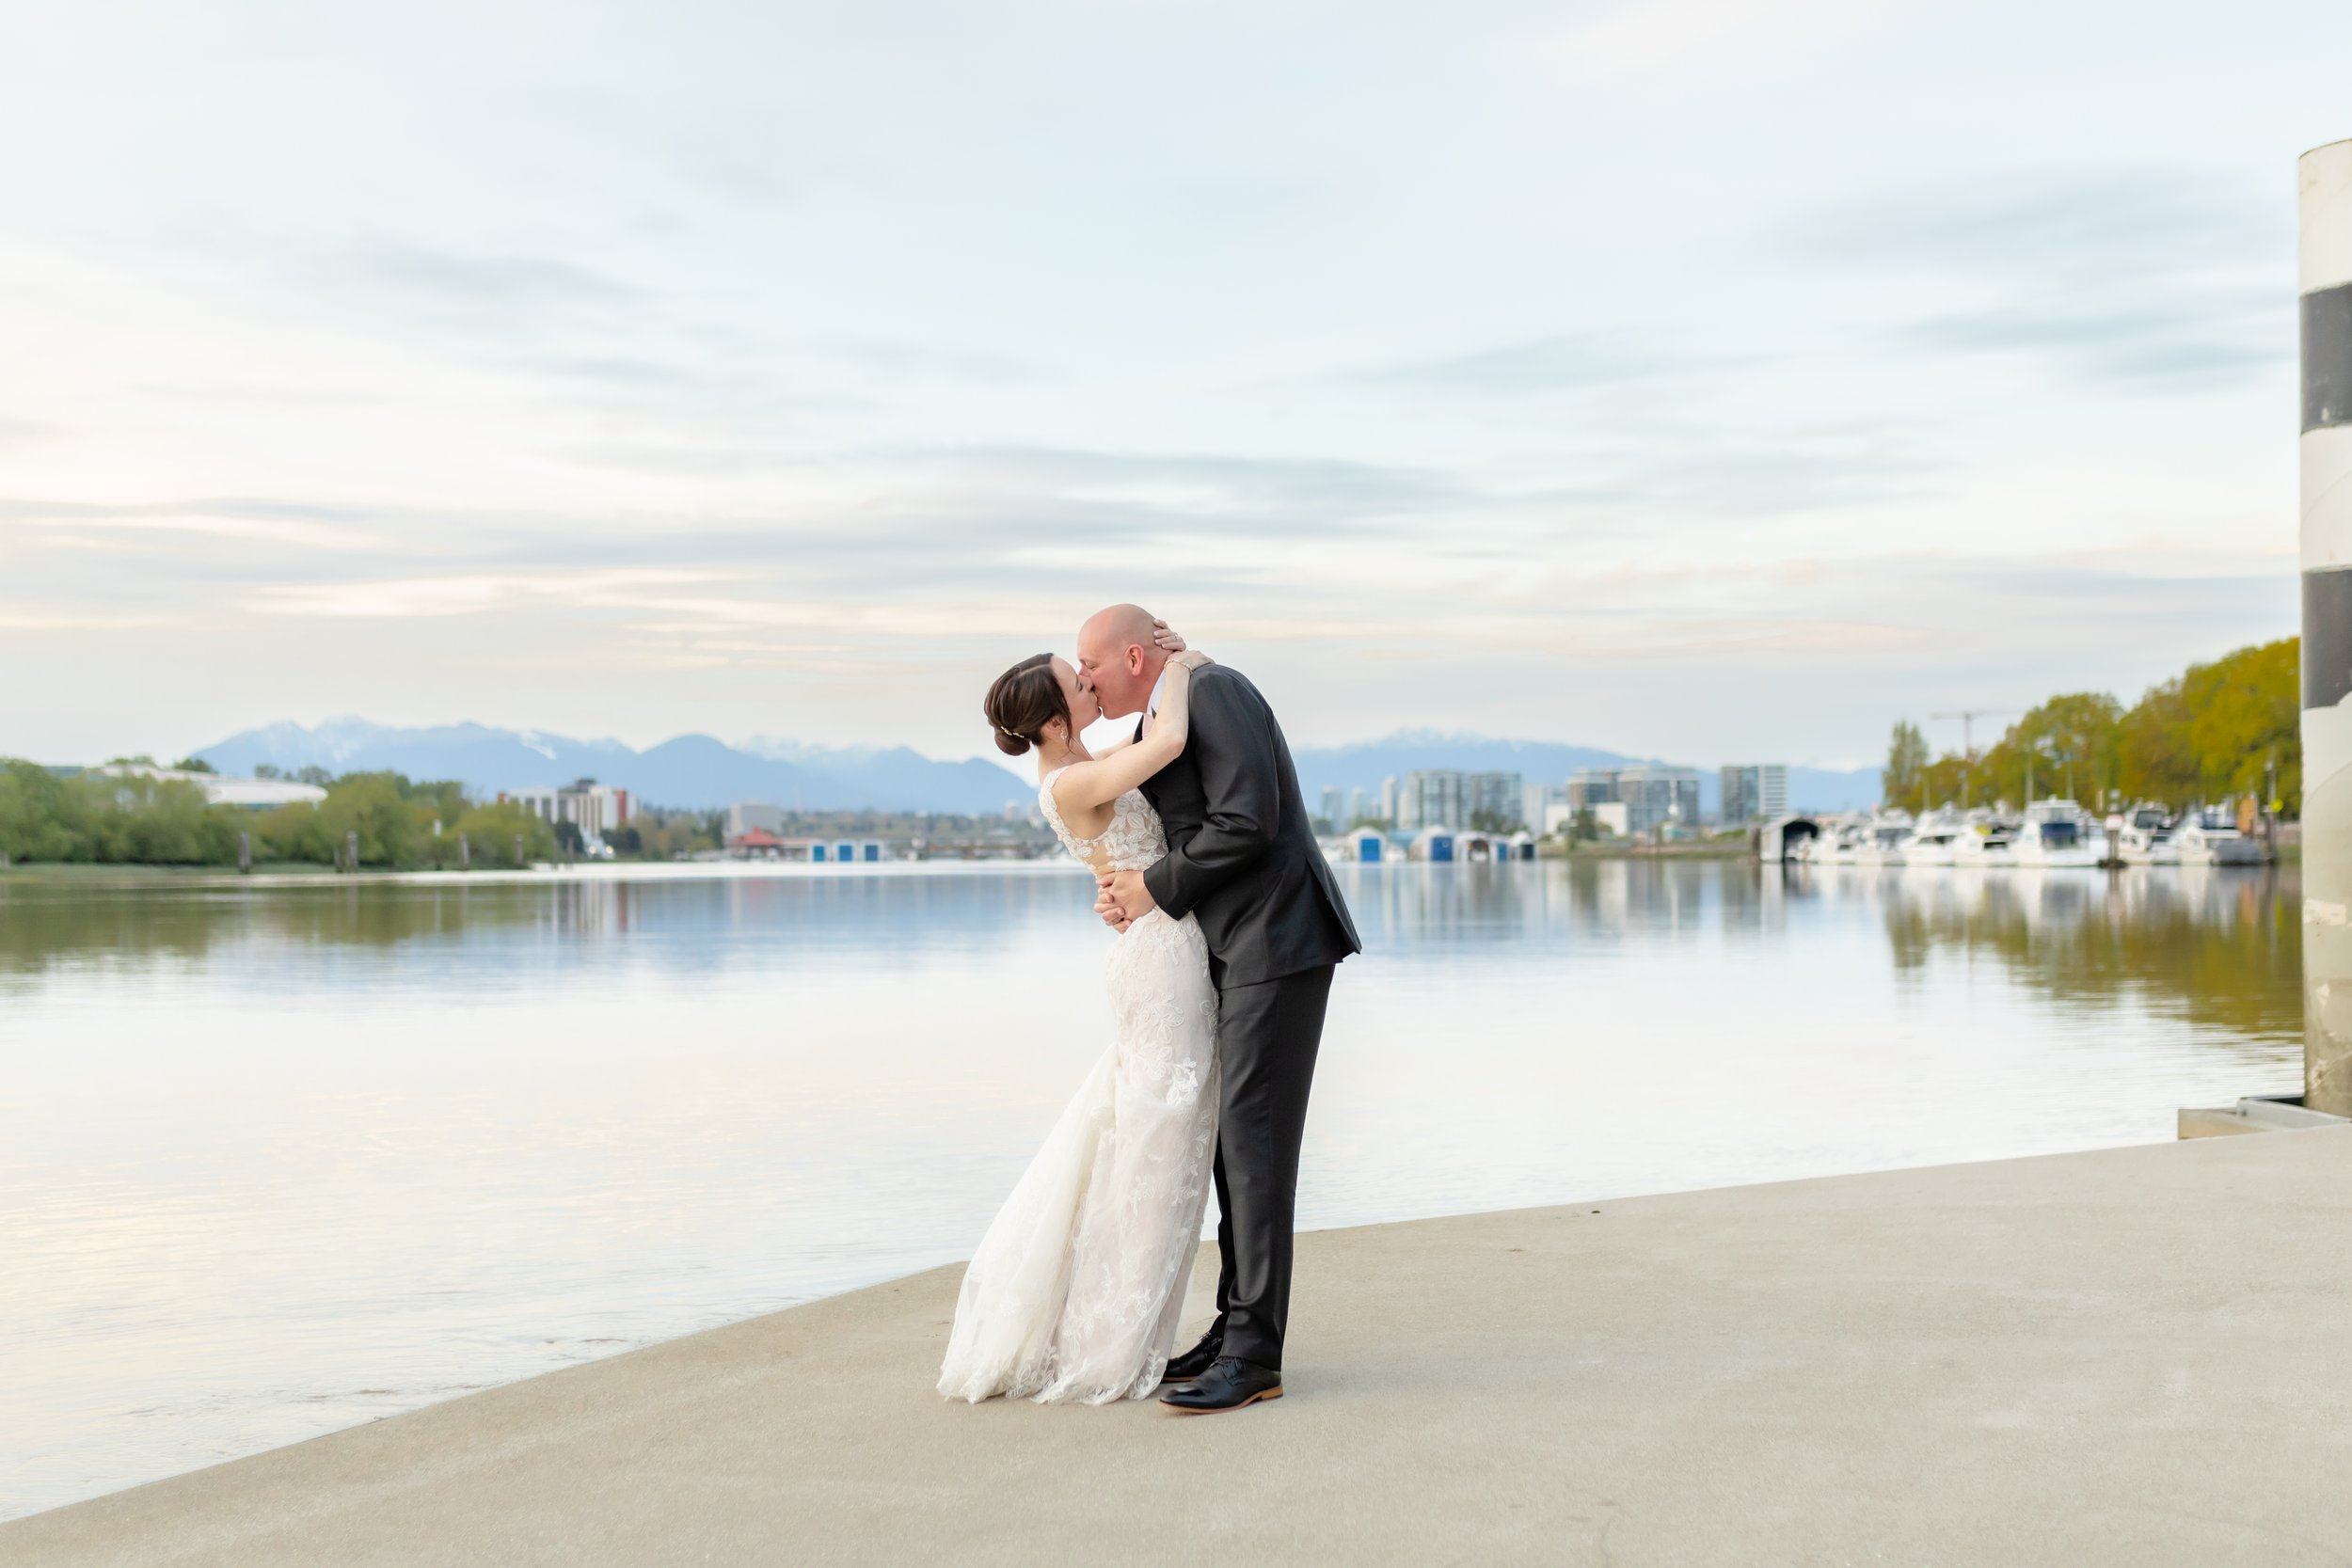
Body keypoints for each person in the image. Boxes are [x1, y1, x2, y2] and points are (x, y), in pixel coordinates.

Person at [1082, 604, 1360, 1415]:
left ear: (1133, 654)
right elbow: (1181, 829)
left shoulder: (1214, 689)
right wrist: (1132, 891)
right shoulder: (1167, 711)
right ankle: (1232, 1327)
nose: (1086, 677)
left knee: (1255, 1144)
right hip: (1235, 949)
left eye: (1088, 662)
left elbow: (1249, 820)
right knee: (1233, 1147)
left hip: (1279, 939)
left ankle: (1254, 1354)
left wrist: (1154, 888)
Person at [937, 640, 1223, 1404]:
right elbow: (1164, 740)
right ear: (1058, 722)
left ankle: (1128, 1327)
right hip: (1158, 963)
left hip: (1157, 945)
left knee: (1147, 1139)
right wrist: (1185, 667)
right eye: (1078, 681)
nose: (1091, 681)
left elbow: (1144, 753)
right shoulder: (1069, 783)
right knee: (1154, 1146)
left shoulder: (1076, 770)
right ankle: (1112, 1342)